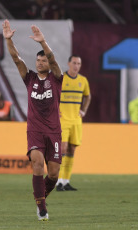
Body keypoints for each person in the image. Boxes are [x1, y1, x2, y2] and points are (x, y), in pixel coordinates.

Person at [2, 19, 63, 221]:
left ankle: (39, 197)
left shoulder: (56, 78)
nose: (40, 63)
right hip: (35, 130)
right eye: (38, 60)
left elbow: (54, 60)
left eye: (43, 60)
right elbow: (16, 58)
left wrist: (43, 42)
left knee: (53, 174)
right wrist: (9, 40)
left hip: (54, 131)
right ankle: (42, 209)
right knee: (37, 163)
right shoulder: (30, 79)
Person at [56, 55, 91, 191]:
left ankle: (66, 181)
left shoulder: (83, 80)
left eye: (79, 63)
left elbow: (88, 96)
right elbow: (52, 95)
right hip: (63, 120)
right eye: (74, 63)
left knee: (72, 150)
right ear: (69, 63)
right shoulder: (61, 79)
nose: (76, 66)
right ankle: (58, 181)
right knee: (62, 149)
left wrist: (83, 110)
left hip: (76, 121)